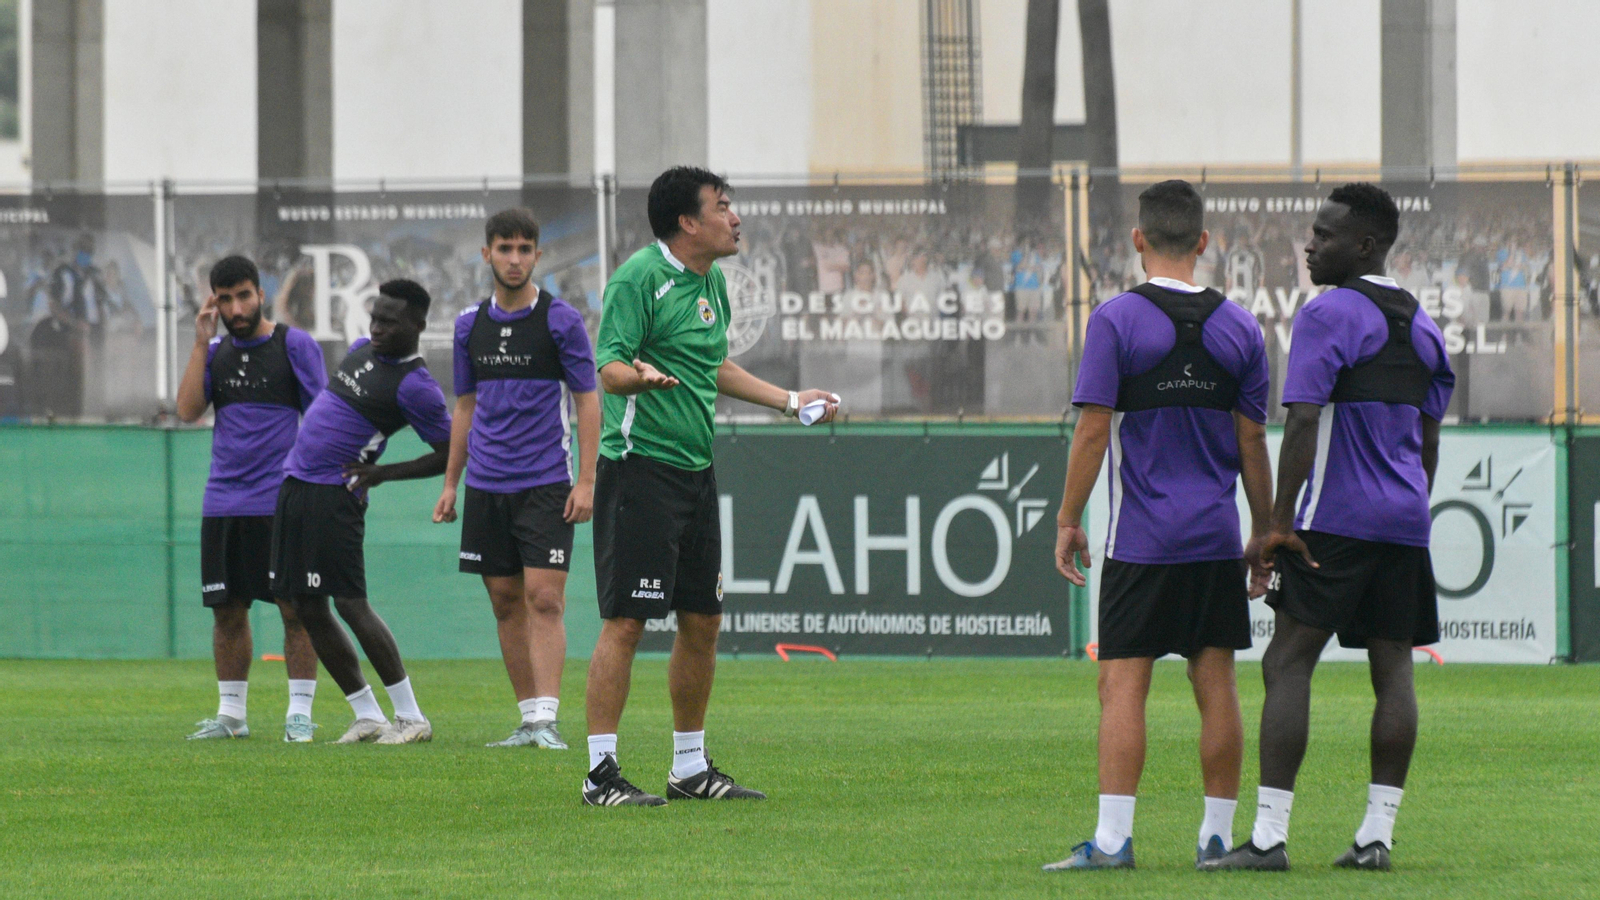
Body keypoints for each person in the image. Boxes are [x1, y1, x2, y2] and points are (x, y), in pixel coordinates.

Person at [1212, 183, 1454, 872]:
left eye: (1323, 235)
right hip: (1405, 521)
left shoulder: (1328, 315)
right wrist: (1408, 507)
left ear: (1365, 245)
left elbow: (1306, 420)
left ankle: (1266, 840)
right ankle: (1376, 838)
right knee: (1394, 669)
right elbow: (1428, 443)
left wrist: (1275, 524)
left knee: (1287, 663)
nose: (1310, 246)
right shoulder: (1426, 325)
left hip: (1336, 522)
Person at [582, 166, 839, 806]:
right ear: (688, 222)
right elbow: (608, 366)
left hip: (695, 472)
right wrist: (636, 379)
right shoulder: (639, 277)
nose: (736, 217)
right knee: (626, 622)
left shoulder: (712, 283)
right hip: (639, 467)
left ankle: (690, 768)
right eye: (723, 207)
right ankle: (600, 776)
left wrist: (788, 401)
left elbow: (713, 363)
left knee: (703, 622)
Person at [1044, 180, 1273, 871]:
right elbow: (1253, 443)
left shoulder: (1116, 320)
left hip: (1143, 541)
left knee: (1121, 685)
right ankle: (1213, 838)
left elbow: (1091, 433)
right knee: (1217, 685)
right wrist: (1261, 536)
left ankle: (1114, 841)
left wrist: (1067, 518)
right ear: (1204, 243)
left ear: (1138, 240)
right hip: (1212, 539)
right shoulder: (1240, 328)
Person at [432, 209, 600, 749]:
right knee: (504, 599)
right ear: (486, 254)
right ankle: (528, 719)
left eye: (524, 249)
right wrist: (451, 483)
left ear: (537, 256)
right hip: (485, 485)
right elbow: (464, 406)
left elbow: (587, 400)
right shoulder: (468, 325)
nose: (514, 258)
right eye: (504, 248)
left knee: (545, 599)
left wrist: (587, 480)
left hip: (547, 482)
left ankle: (548, 721)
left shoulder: (561, 321)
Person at [270, 279, 453, 745]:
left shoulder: (417, 386)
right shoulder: (358, 349)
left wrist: (382, 473)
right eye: (374, 317)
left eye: (389, 322)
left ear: (418, 325)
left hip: (334, 497)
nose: (376, 328)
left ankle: (412, 717)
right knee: (305, 606)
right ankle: (367, 714)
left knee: (351, 604)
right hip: (295, 487)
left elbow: (451, 452)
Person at [175, 255, 326, 742]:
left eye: (243, 296)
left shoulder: (294, 346)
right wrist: (200, 343)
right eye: (225, 298)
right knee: (227, 610)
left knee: (294, 609)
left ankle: (299, 714)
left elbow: (323, 421)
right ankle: (231, 717)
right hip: (223, 502)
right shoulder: (214, 352)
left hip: (281, 503)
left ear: (261, 294)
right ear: (213, 302)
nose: (236, 307)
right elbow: (187, 411)